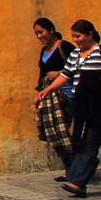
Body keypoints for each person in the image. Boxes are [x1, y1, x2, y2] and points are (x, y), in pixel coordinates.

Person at [33, 19, 101, 197]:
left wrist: (96, 77)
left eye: (79, 36)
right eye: (74, 36)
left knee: (89, 141)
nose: (76, 40)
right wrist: (47, 90)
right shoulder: (75, 55)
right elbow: (66, 75)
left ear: (90, 34)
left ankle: (78, 182)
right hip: (82, 105)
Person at [32, 17, 76, 170]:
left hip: (66, 95)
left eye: (41, 32)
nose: (39, 36)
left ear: (51, 30)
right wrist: (39, 93)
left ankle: (77, 170)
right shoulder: (44, 51)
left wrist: (59, 73)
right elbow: (42, 73)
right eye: (36, 34)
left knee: (63, 131)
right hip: (49, 97)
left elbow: (78, 67)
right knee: (52, 132)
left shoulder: (64, 47)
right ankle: (70, 168)